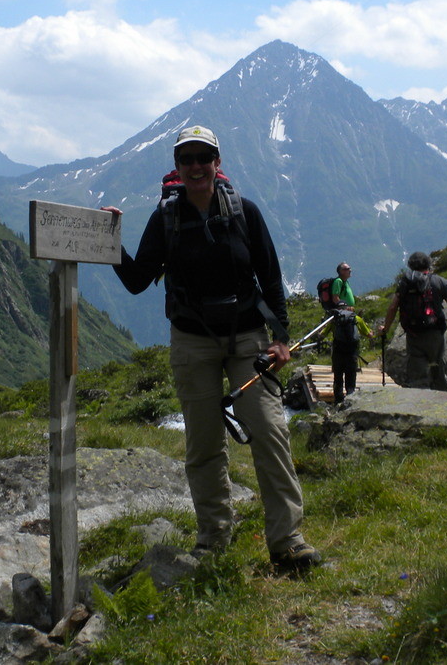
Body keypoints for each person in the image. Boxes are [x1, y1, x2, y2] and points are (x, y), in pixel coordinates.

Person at [103, 125, 321, 571]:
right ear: (178, 167)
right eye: (188, 159)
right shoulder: (165, 219)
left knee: (269, 432)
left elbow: (271, 276)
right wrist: (109, 240)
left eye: (205, 157)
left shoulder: (246, 213)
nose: (197, 166)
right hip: (192, 342)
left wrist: (281, 339)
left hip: (248, 339)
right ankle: (213, 540)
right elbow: (136, 280)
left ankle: (288, 539)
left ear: (217, 163)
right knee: (203, 444)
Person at [378, 251, 447, 391]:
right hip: (435, 332)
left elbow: (393, 307)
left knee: (417, 376)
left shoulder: (405, 283)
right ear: (429, 265)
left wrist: (386, 328)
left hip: (413, 334)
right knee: (438, 370)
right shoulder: (440, 281)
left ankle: (419, 406)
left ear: (411, 266)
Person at [318, 303, 373, 403]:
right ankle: (350, 399)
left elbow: (322, 335)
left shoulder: (334, 319)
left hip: (338, 351)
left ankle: (338, 400)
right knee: (351, 376)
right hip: (352, 352)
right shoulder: (356, 318)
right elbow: (369, 335)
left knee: (338, 377)